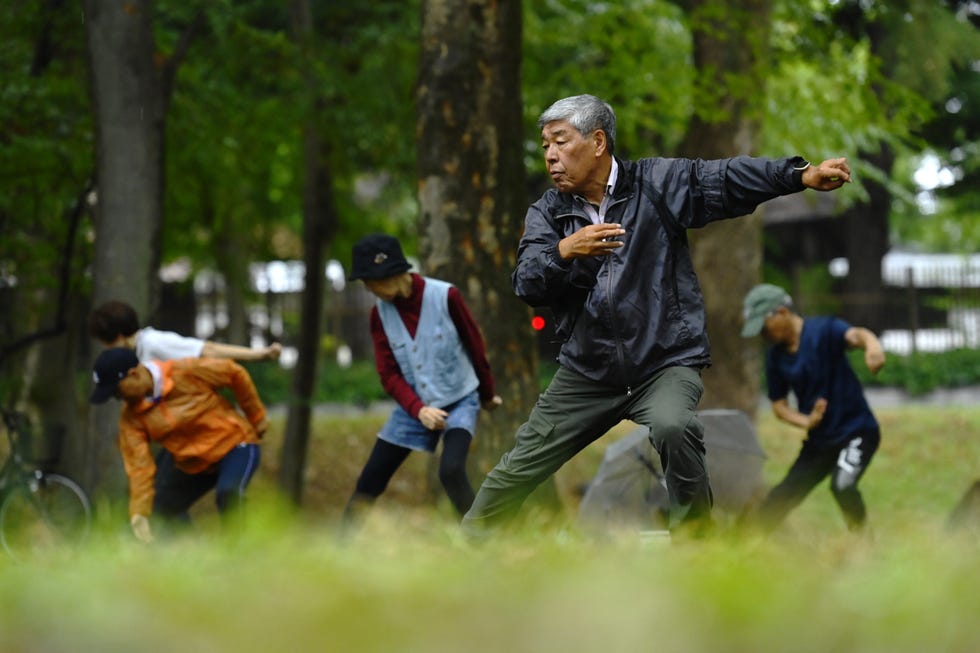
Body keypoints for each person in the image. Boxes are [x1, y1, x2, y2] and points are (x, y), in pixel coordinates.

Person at [460, 93, 852, 540]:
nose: (550, 155)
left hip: (664, 361)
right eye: (545, 145)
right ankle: (468, 544)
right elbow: (527, 283)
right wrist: (564, 251)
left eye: (560, 141)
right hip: (589, 371)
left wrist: (799, 175)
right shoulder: (548, 213)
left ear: (598, 142)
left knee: (673, 424)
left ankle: (695, 544)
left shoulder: (657, 182)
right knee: (521, 462)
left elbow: (724, 178)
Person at [343, 233, 502, 527]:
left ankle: (482, 539)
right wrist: (418, 409)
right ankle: (339, 550)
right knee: (371, 478)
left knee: (451, 470)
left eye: (371, 280)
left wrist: (487, 394)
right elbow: (388, 374)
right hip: (414, 405)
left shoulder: (445, 296)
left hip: (460, 398)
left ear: (394, 273)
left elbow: (474, 345)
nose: (368, 288)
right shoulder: (379, 314)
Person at [740, 283, 885, 533]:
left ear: (782, 312)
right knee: (780, 498)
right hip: (821, 441)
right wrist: (806, 421)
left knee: (843, 485)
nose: (763, 334)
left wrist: (872, 346)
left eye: (764, 327)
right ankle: (739, 554)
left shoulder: (825, 330)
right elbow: (779, 406)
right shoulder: (775, 357)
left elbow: (855, 335)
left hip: (857, 431)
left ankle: (863, 546)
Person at [89, 347, 268, 543]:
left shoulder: (185, 371)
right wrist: (139, 513)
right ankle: (192, 556)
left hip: (234, 444)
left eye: (116, 390)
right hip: (193, 463)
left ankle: (241, 555)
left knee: (228, 492)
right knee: (157, 511)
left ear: (134, 374)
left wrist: (256, 416)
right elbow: (139, 467)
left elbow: (235, 373)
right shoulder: (131, 419)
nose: (117, 398)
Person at [89, 299, 282, 363]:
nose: (105, 348)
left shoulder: (154, 343)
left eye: (105, 342)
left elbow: (208, 349)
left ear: (119, 336)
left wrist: (258, 354)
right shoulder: (135, 354)